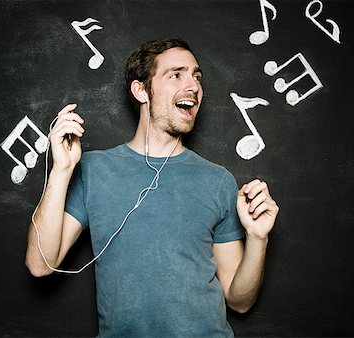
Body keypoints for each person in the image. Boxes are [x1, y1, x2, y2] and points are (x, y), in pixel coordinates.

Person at [25, 37, 279, 337]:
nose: (193, 86)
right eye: (176, 75)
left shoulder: (218, 180)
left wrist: (258, 238)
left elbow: (240, 302)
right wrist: (61, 171)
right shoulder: (93, 170)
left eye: (196, 76)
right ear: (141, 90)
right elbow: (40, 265)